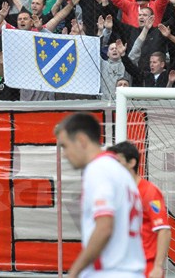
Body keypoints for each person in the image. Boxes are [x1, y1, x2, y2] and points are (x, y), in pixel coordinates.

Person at [54, 112, 145, 278]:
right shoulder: (122, 172)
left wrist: (73, 273)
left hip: (110, 272)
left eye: (65, 146)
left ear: (81, 140)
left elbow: (104, 228)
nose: (65, 154)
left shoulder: (98, 169)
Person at [108, 141, 171, 278]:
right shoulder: (115, 192)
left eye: (117, 162)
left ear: (132, 163)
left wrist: (157, 266)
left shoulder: (149, 192)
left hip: (145, 265)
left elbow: (164, 230)